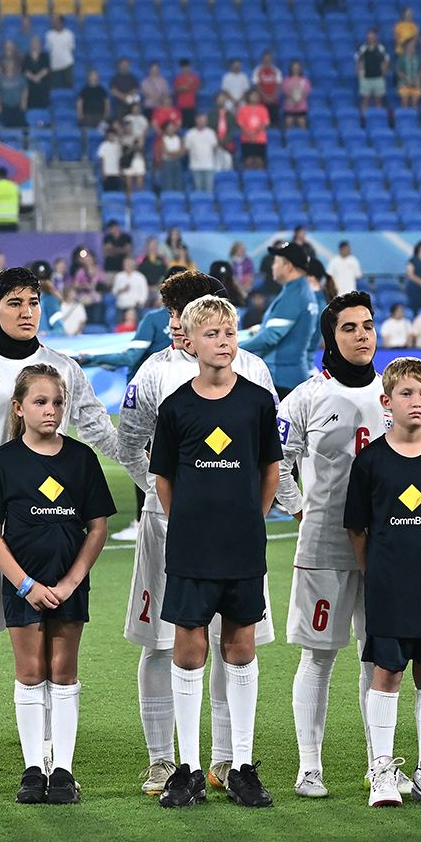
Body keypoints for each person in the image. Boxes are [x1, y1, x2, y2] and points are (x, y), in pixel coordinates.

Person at [0, 266, 117, 796]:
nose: (25, 311)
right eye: (14, 301)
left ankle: (49, 761)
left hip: (50, 530)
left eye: (33, 301)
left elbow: (96, 428)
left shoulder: (61, 367)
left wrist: (148, 465)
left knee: (49, 649)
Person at [114, 270, 277, 795]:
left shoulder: (255, 379)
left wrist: (257, 514)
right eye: (193, 325)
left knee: (237, 643)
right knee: (166, 644)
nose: (219, 339)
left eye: (227, 330)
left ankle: (231, 761)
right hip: (175, 532)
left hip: (239, 536)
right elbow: (138, 449)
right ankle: (168, 760)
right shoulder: (159, 380)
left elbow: (271, 461)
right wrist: (176, 513)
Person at [0, 363, 115, 805]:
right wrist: (24, 584)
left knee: (63, 671)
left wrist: (72, 581)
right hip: (24, 587)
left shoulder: (81, 459)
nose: (50, 410)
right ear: (19, 407)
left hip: (68, 586)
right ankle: (34, 768)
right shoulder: (3, 462)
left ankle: (64, 770)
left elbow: (97, 528)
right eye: (40, 402)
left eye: (57, 402)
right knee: (31, 672)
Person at [277, 294, 390, 800]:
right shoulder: (305, 397)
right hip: (324, 545)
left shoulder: (393, 394)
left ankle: (379, 766)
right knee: (319, 656)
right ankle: (309, 767)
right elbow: (277, 461)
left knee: (377, 657)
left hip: (387, 545)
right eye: (350, 328)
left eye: (368, 326)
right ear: (331, 337)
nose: (363, 335)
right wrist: (303, 511)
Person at [343, 357, 421, 809]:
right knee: (388, 671)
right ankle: (381, 768)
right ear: (386, 402)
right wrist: (377, 570)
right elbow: (357, 528)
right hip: (388, 586)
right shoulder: (371, 460)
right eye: (405, 394)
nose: (415, 402)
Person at [241, 241, 324, 398]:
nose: (272, 266)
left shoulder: (294, 295)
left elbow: (270, 337)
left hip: (282, 379)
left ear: (288, 266)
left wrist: (236, 347)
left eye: (276, 261)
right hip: (290, 376)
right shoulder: (299, 291)